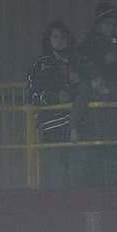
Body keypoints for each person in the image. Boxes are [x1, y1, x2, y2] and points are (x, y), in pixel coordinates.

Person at [76, 3, 117, 186]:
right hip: (94, 111)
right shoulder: (86, 46)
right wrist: (95, 77)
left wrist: (112, 81)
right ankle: (95, 192)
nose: (110, 28)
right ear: (98, 24)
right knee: (95, 150)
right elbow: (80, 66)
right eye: (106, 24)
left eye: (112, 24)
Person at [26, 21, 84, 188]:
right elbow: (33, 95)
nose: (60, 40)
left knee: (79, 170)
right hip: (53, 126)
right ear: (48, 40)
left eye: (63, 36)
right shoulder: (41, 65)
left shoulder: (78, 62)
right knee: (56, 172)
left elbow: (89, 87)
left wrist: (79, 81)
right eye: (55, 36)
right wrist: (55, 97)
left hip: (77, 124)